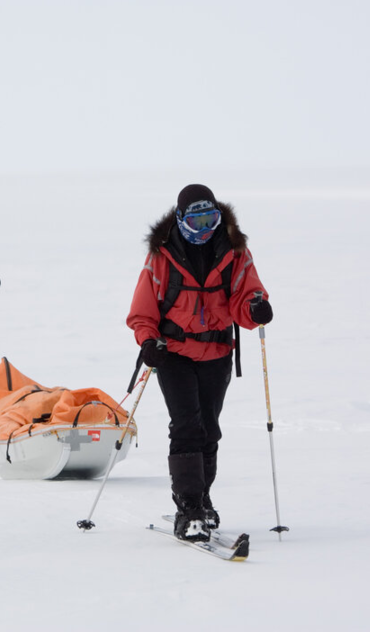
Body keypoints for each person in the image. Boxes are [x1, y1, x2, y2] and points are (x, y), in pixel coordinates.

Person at [127, 183, 274, 542]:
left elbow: (245, 294)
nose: (204, 227)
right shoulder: (161, 256)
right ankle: (188, 508)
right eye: (197, 219)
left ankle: (203, 499)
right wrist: (148, 341)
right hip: (173, 353)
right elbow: (142, 311)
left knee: (209, 429)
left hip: (218, 353)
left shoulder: (235, 251)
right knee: (187, 427)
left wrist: (255, 307)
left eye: (210, 218)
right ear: (181, 219)